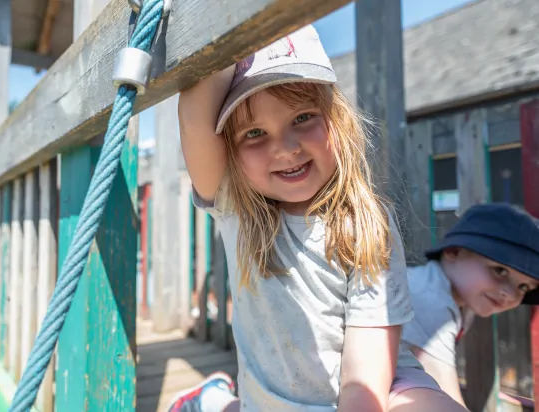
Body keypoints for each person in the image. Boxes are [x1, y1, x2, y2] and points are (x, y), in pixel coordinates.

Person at [171, 24, 466, 412]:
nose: (286, 148)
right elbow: (195, 115)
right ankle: (210, 400)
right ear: (232, 151)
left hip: (376, 386)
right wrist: (240, 29)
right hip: (275, 401)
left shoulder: (365, 222)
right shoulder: (236, 207)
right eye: (255, 132)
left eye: (303, 117)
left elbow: (366, 378)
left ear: (337, 122)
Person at [401, 203, 539, 408]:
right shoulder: (429, 298)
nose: (509, 293)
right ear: (454, 252)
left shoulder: (460, 301)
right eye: (499, 271)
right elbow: (445, 397)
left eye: (524, 286)